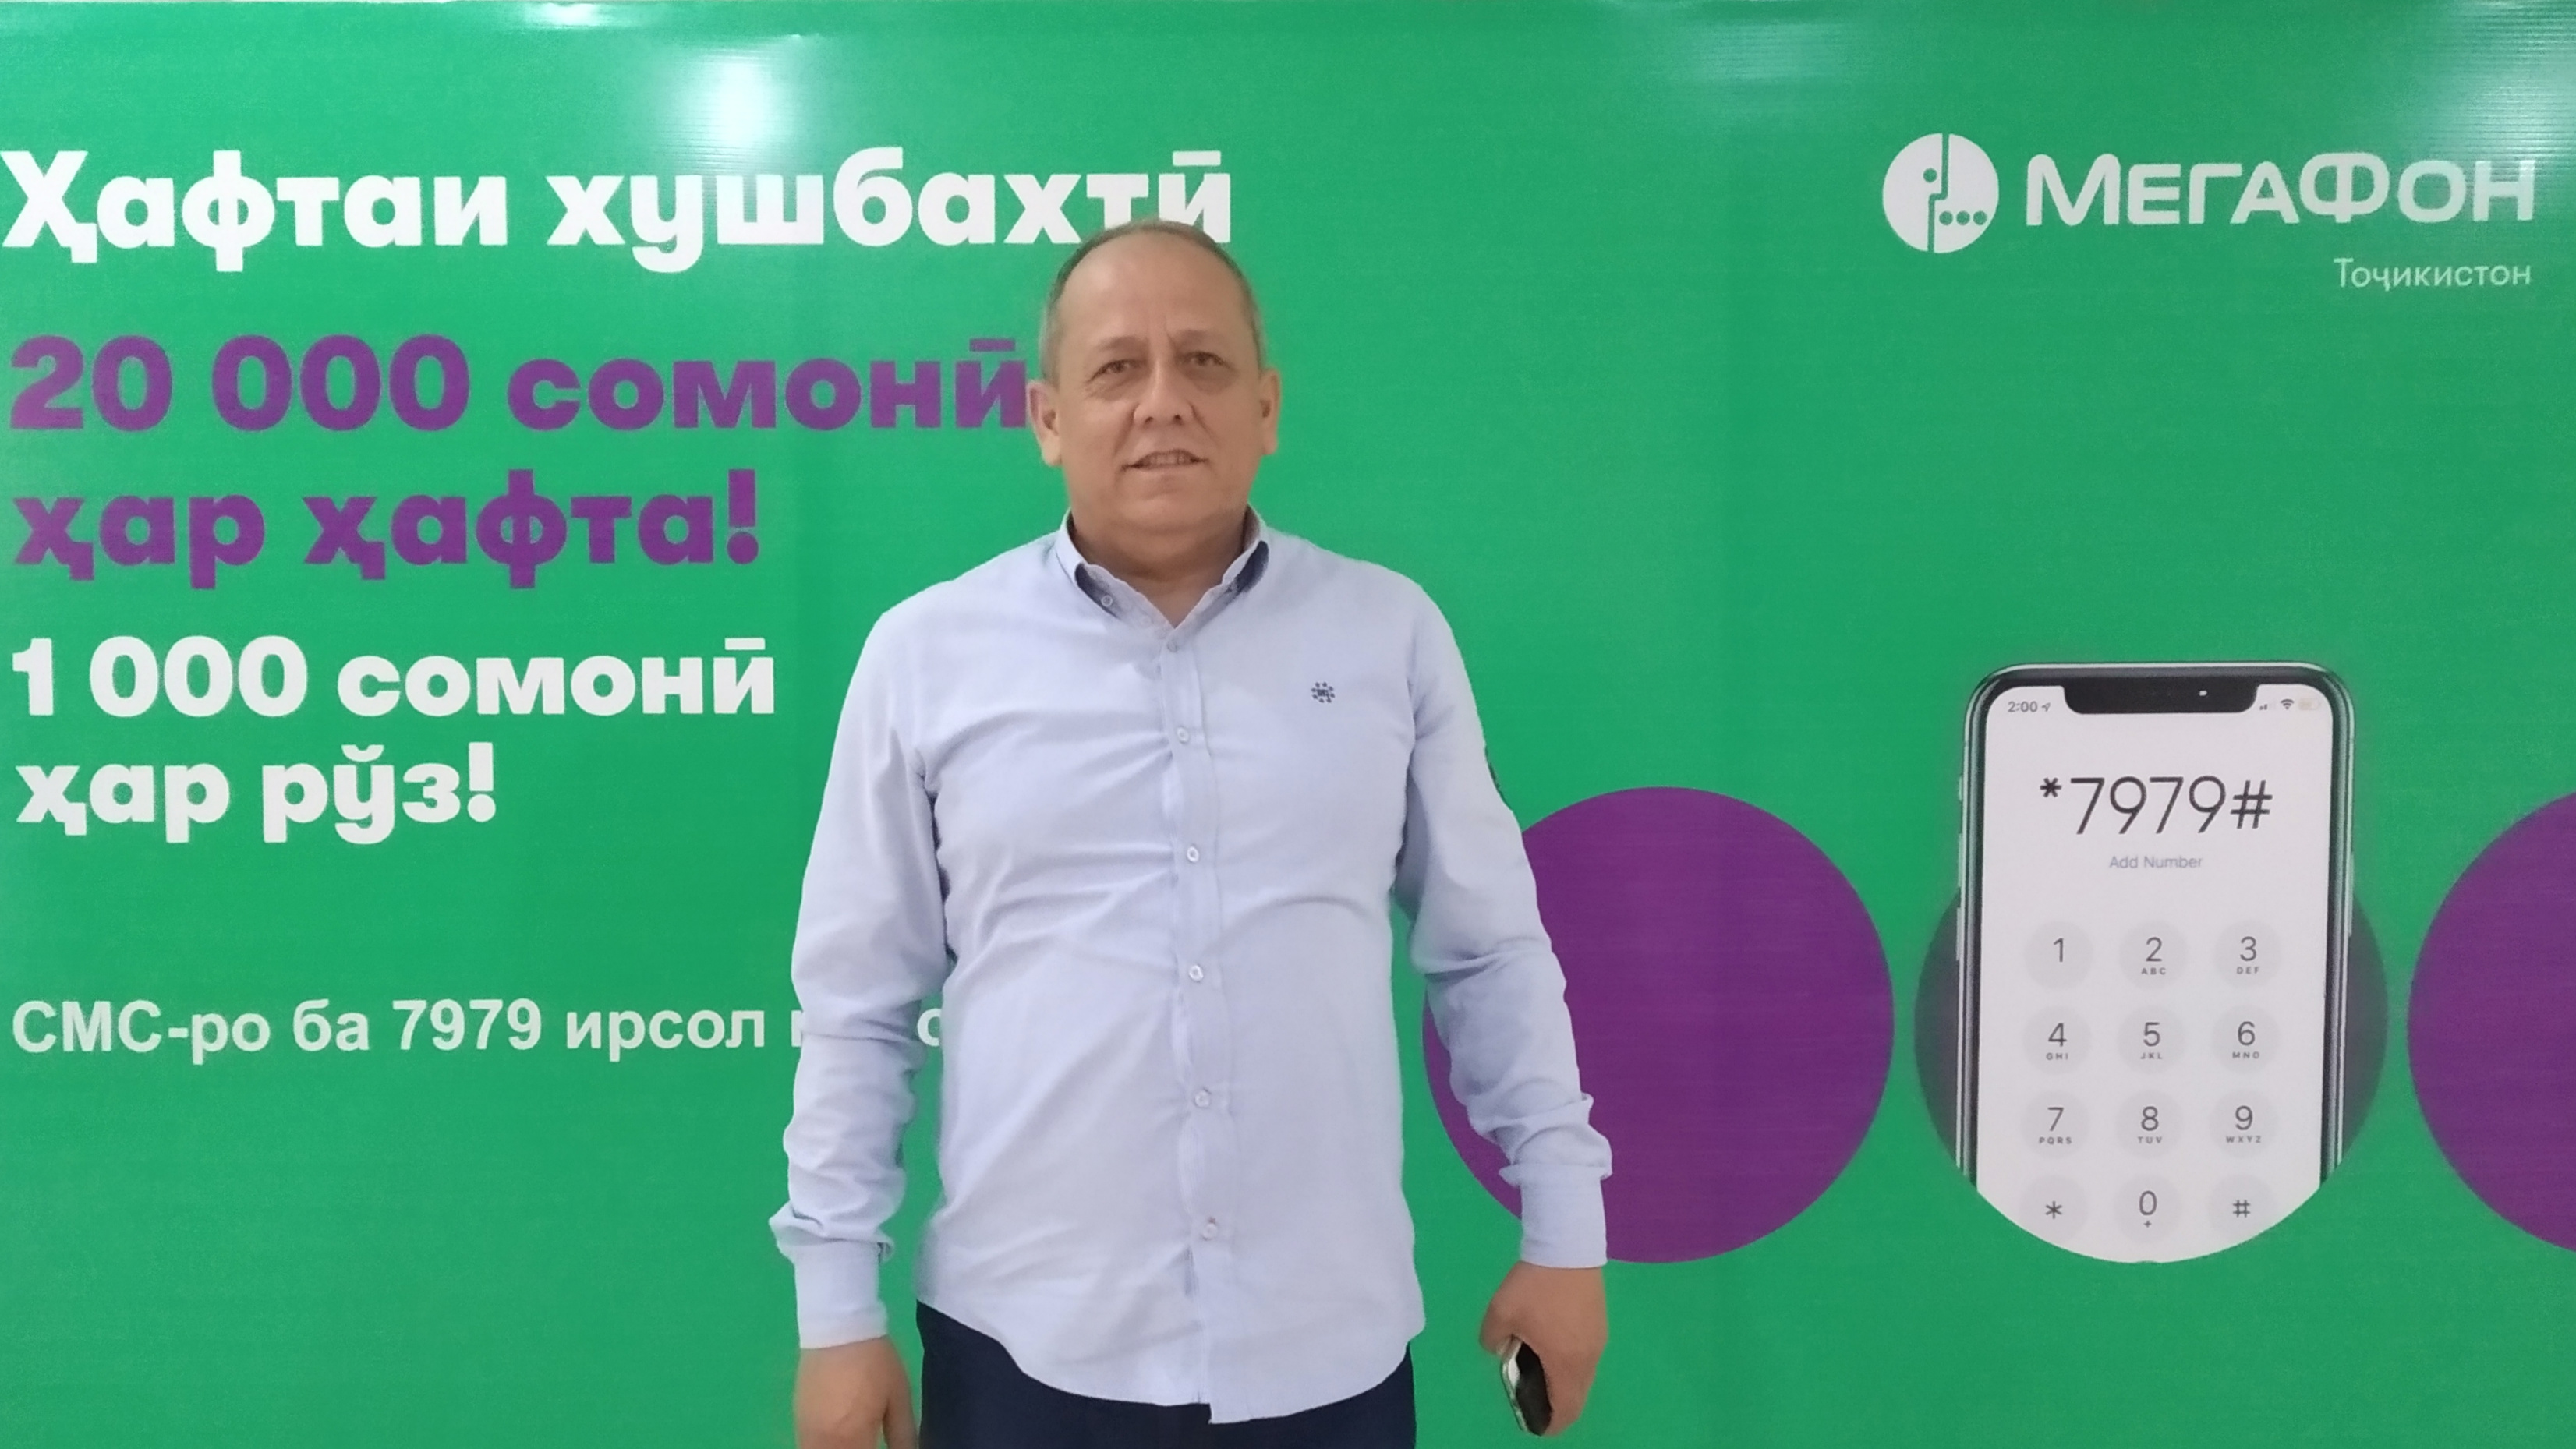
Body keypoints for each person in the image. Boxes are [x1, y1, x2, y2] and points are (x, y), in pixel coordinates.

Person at [773, 218, 1612, 1449]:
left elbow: (1490, 955)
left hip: (1326, 1354)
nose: (1162, 400)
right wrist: (837, 1312)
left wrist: (1565, 1233)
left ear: (1267, 407)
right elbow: (857, 1006)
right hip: (1024, 1351)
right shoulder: (926, 656)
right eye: (1117, 367)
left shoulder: (1388, 635)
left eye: (1203, 363)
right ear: (1048, 417)